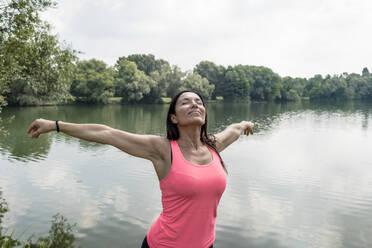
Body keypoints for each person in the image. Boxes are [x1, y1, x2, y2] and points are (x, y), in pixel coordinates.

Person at [27, 90, 254, 248]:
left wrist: (246, 125)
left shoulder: (213, 146)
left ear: (204, 114)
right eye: (185, 102)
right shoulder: (163, 150)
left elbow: (235, 128)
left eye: (198, 101)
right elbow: (107, 133)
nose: (194, 104)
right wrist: (56, 125)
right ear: (173, 118)